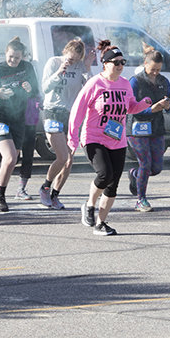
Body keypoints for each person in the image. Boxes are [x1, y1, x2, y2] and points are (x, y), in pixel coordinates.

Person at [68, 40, 152, 236]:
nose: (121, 66)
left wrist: (143, 104)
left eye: (123, 62)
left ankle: (101, 223)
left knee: (113, 183)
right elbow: (77, 110)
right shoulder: (94, 83)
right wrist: (72, 138)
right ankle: (89, 205)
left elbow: (129, 106)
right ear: (105, 64)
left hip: (117, 139)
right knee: (105, 174)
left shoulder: (124, 85)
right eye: (117, 62)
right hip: (94, 138)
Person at [0, 37, 38, 212]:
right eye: (11, 57)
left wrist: (30, 89)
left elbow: (35, 91)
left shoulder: (28, 68)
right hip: (0, 117)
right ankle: (0, 197)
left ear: (22, 57)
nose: (13, 61)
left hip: (19, 119)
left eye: (17, 58)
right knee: (10, 157)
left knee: (12, 161)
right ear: (6, 53)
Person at [38, 38, 95, 209]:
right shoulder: (53, 62)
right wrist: (59, 72)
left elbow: (90, 87)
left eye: (76, 59)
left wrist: (86, 67)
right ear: (64, 52)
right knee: (62, 156)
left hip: (71, 114)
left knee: (69, 161)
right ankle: (45, 187)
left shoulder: (80, 66)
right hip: (52, 112)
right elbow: (45, 88)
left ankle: (55, 194)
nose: (72, 62)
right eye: (70, 59)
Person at [126, 45, 170, 212]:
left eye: (158, 69)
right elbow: (129, 107)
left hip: (157, 128)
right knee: (145, 164)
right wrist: (152, 109)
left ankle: (134, 175)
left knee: (156, 168)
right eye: (153, 69)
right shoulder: (135, 81)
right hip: (137, 129)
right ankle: (141, 200)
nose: (155, 72)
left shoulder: (164, 81)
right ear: (145, 64)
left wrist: (168, 106)